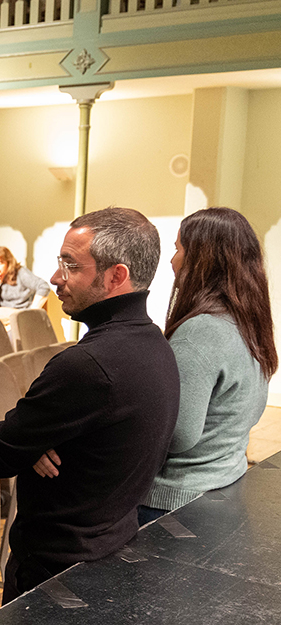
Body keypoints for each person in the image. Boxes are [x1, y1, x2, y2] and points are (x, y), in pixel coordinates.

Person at [0, 207, 180, 604]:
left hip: (53, 573)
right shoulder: (156, 344)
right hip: (112, 548)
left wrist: (32, 442)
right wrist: (38, 439)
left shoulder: (87, 366)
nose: (56, 278)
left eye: (70, 266)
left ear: (115, 276)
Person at [139, 208, 277, 525]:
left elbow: (179, 435)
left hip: (175, 501)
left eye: (177, 249)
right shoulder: (248, 324)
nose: (171, 261)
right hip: (225, 484)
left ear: (201, 258)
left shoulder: (199, 332)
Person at [0, 246, 50, 325]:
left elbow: (43, 287)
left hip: (18, 312)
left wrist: (32, 311)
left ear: (8, 264)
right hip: (0, 314)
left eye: (1, 262)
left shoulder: (20, 273)